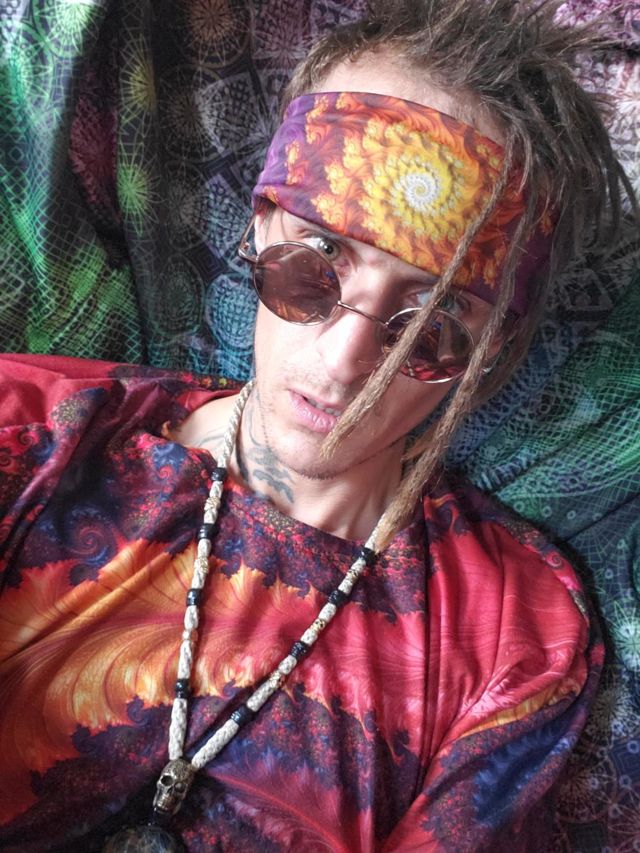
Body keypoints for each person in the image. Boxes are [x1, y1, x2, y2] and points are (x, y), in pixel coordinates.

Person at [0, 1, 633, 851]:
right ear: (261, 226)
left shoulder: (514, 638)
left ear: (491, 353)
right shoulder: (33, 430)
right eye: (314, 266)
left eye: (431, 326)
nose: (343, 361)